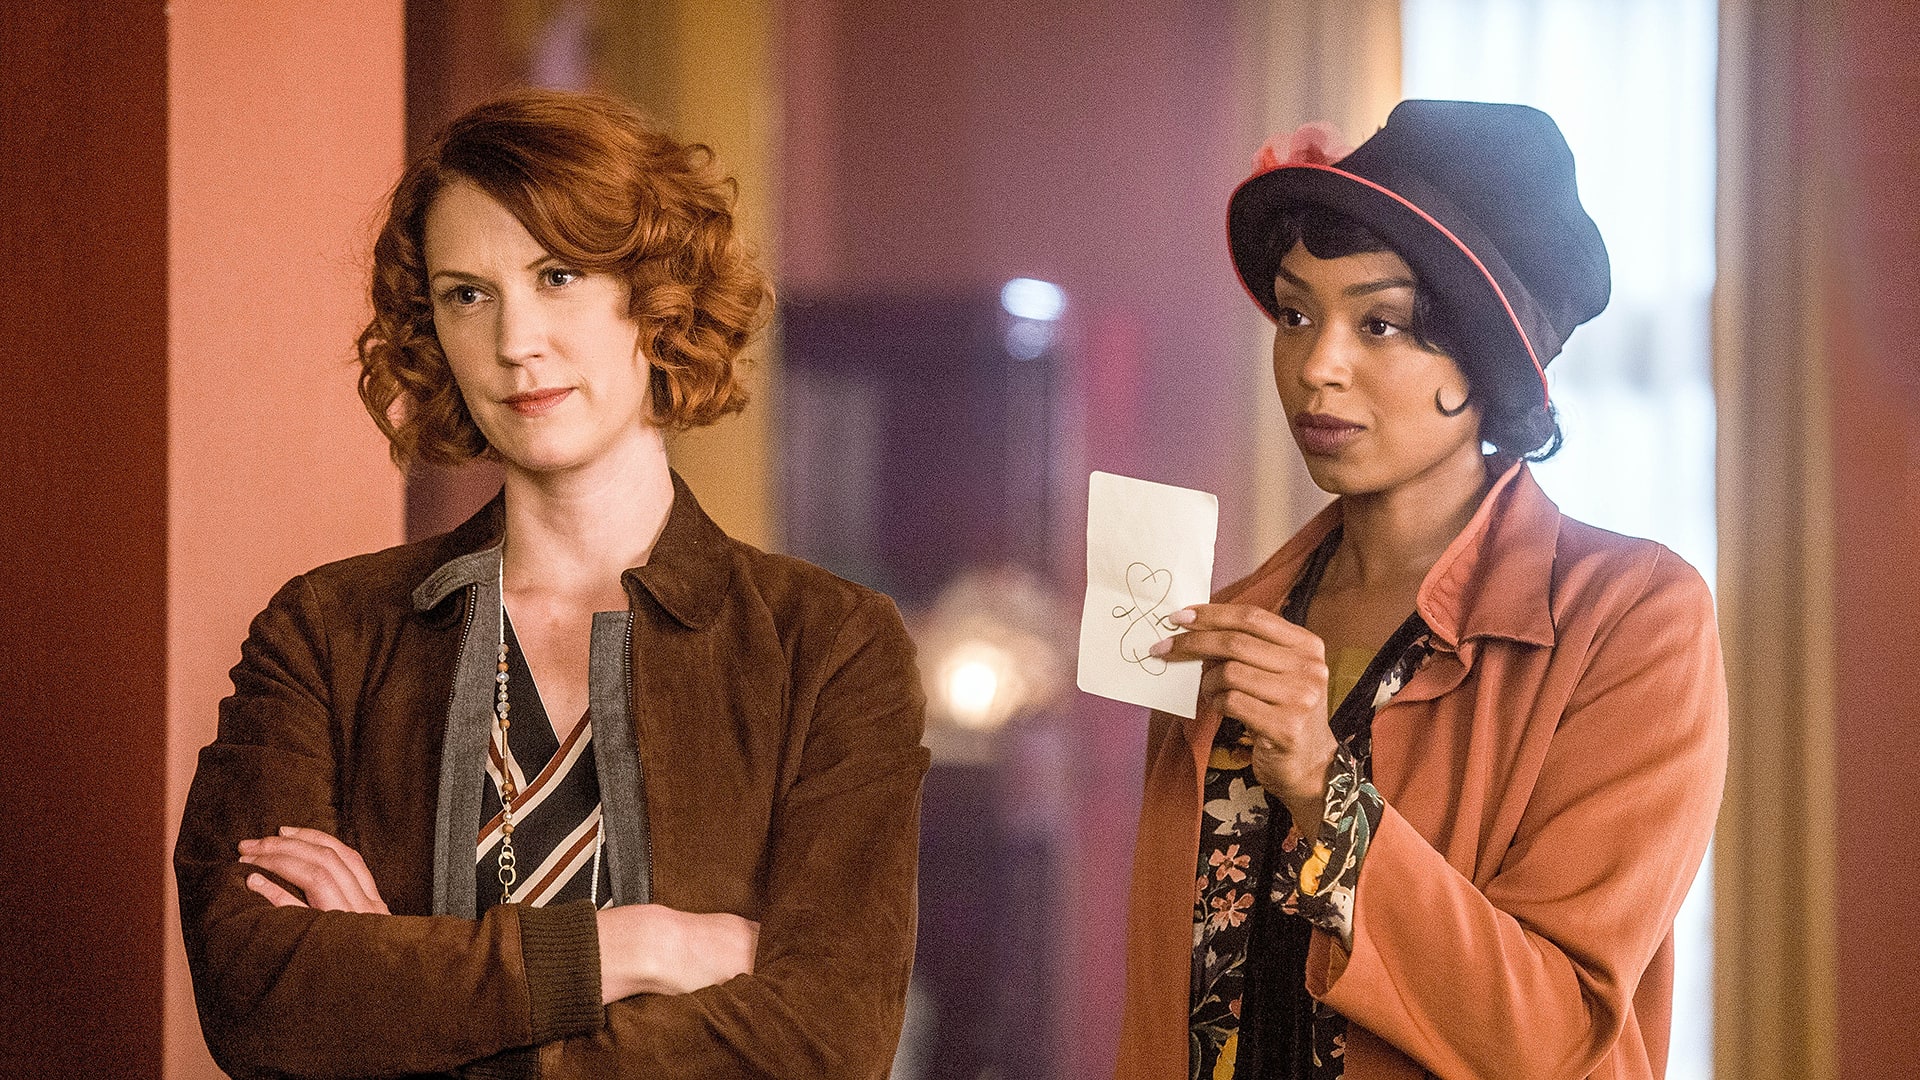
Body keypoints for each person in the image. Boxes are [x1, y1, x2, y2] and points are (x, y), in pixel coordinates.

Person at [174, 89, 930, 1079]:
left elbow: (825, 1041)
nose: (514, 341)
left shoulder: (827, 646)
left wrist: (401, 998)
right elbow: (258, 998)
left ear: (657, 294)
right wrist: (639, 946)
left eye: (558, 275)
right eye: (466, 294)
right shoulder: (326, 633)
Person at [1113, 101, 1727, 1080]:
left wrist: (1323, 787)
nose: (1317, 367)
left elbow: (1553, 1033)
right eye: (1296, 314)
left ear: (1484, 361)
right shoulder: (1230, 629)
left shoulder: (1633, 620)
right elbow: (1167, 1007)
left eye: (1381, 324)